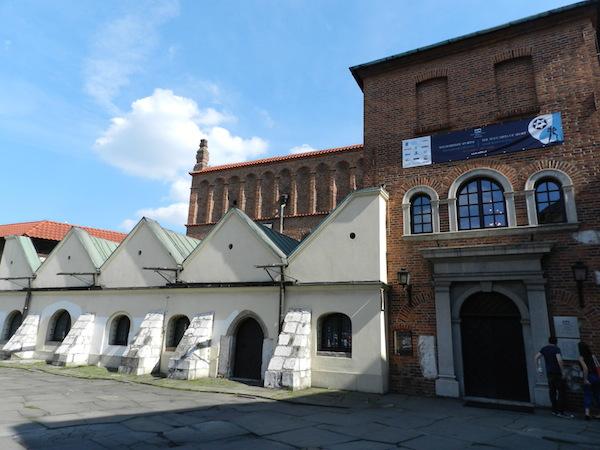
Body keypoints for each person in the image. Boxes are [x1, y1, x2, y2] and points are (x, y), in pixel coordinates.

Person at [535, 336, 573, 418]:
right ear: (556, 342)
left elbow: (536, 357)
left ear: (548, 341)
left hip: (549, 373)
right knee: (561, 392)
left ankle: (554, 410)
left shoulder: (544, 349)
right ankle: (561, 411)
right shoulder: (556, 349)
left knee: (552, 392)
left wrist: (539, 367)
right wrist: (563, 371)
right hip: (557, 373)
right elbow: (559, 360)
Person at [578, 341, 600, 420]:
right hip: (596, 377)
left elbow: (585, 369)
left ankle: (587, 414)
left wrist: (585, 379)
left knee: (587, 394)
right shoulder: (592, 356)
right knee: (597, 395)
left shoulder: (581, 358)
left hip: (589, 377)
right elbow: (598, 365)